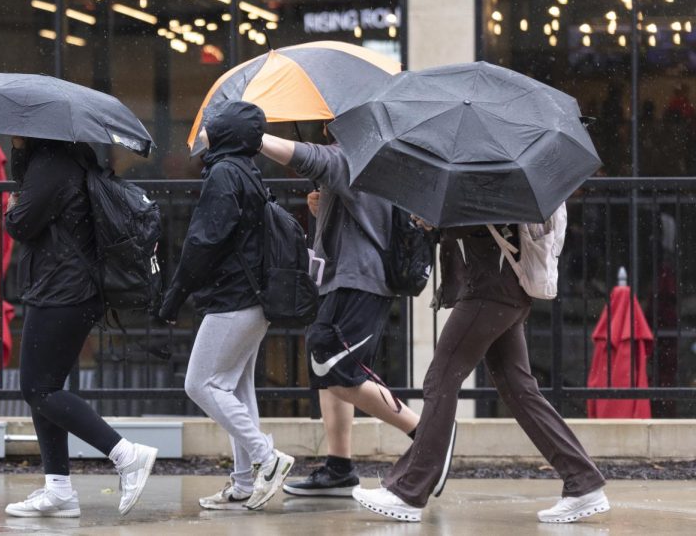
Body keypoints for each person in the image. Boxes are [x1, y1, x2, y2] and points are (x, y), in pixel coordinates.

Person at [354, 225, 609, 524]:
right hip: (503, 291)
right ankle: (583, 481)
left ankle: (408, 492)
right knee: (520, 392)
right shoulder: (491, 182)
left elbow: (488, 221)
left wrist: (442, 222)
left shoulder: (493, 182)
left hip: (490, 292)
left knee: (442, 378)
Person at [256, 129, 426, 499]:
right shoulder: (377, 150)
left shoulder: (354, 151)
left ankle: (427, 435)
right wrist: (327, 202)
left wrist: (252, 133)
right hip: (344, 278)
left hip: (358, 279)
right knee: (325, 367)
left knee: (340, 372)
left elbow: (308, 157)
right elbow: (363, 209)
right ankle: (339, 468)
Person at [2, 136, 157, 519]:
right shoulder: (68, 159)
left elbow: (22, 224)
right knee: (45, 388)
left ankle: (126, 454)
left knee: (38, 388)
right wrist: (21, 155)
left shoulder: (51, 165)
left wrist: (12, 208)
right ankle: (58, 489)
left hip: (62, 287)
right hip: (68, 286)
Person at [157, 102, 296, 511]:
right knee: (236, 388)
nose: (206, 136)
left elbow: (204, 242)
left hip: (233, 299)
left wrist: (175, 295)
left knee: (199, 384)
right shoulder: (248, 172)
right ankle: (241, 484)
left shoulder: (223, 174)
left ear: (225, 135)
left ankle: (267, 460)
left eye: (212, 130)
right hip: (254, 299)